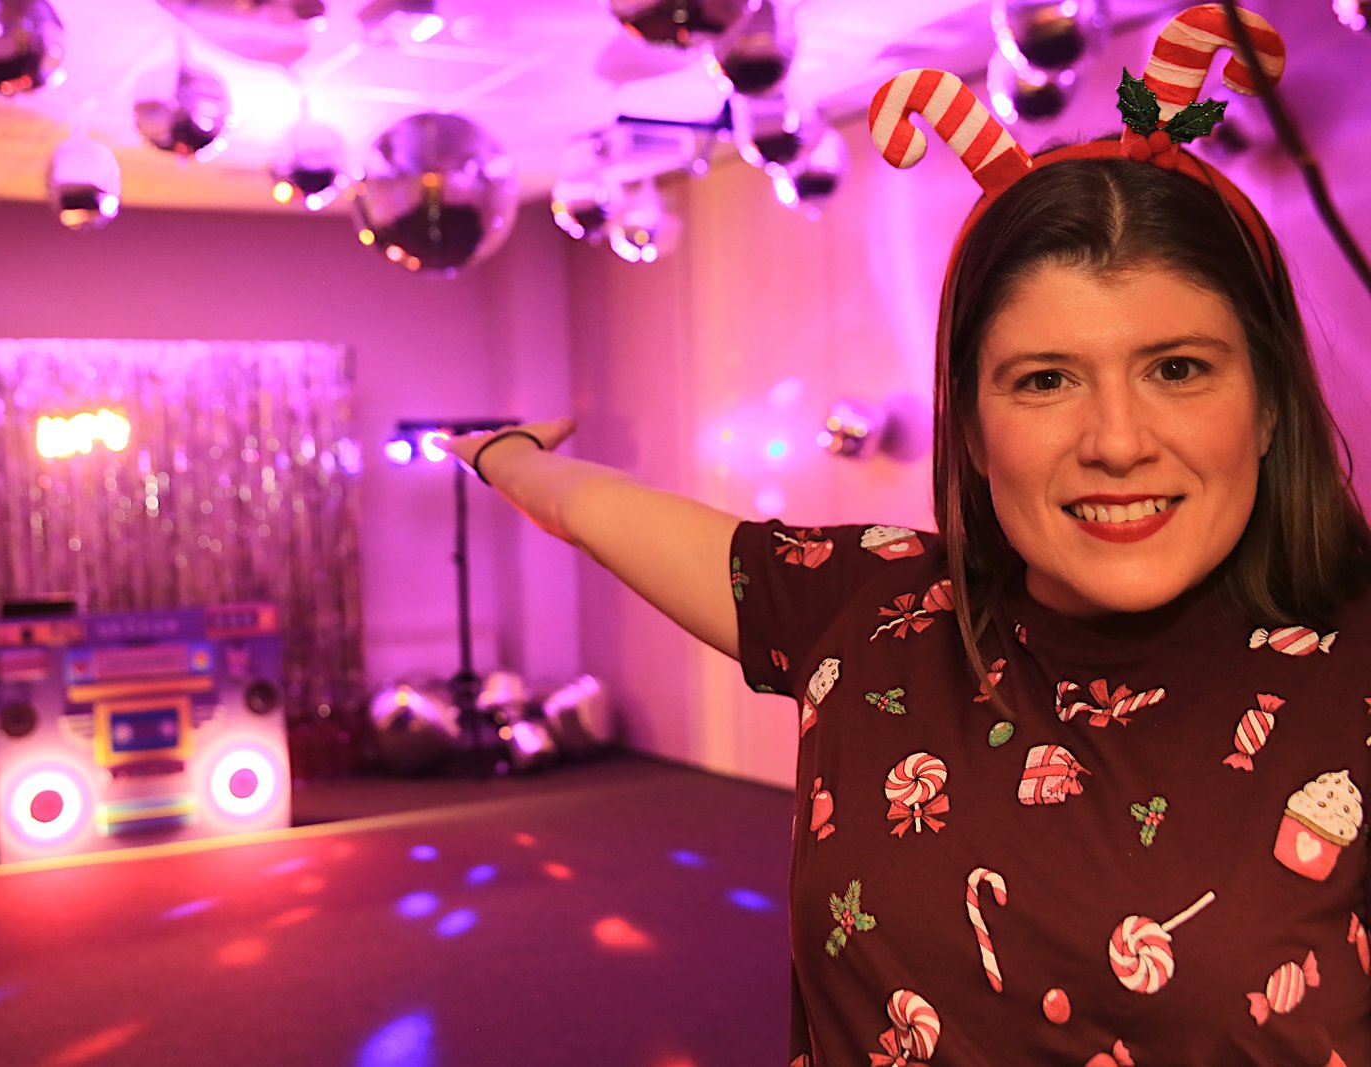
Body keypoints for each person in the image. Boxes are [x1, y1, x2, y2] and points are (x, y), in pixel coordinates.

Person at [443, 5, 1371, 1063]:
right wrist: (504, 453)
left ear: (1267, 404)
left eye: (1177, 368)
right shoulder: (875, 609)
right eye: (1045, 380)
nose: (1117, 441)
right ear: (970, 426)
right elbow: (599, 511)